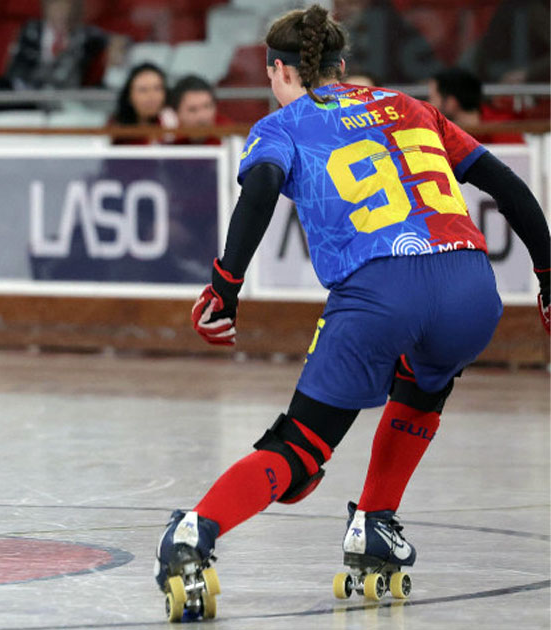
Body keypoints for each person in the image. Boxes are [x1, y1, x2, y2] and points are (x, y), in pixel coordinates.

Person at [155, 4, 550, 622]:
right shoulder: (410, 107)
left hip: (379, 292)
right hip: (472, 289)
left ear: (278, 70)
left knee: (301, 449)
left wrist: (225, 286)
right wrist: (548, 278)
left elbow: (258, 192)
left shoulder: (282, 124)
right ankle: (375, 522)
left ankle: (192, 536)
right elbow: (506, 184)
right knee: (424, 382)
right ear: (343, 66)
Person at [0, 0, 116, 91]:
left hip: (63, 94)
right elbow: (15, 69)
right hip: (27, 92)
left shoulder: (85, 34)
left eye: (68, 8)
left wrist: (117, 44)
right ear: (47, 9)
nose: (64, 14)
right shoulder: (30, 30)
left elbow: (117, 39)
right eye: (58, 8)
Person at [428, 67, 524, 145]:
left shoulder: (502, 129)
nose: (428, 104)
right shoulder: (438, 133)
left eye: (432, 98)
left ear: (451, 102)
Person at [162, 74, 234, 146]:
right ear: (176, 113)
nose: (202, 117)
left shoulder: (231, 138)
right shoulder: (167, 141)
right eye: (192, 109)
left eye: (207, 107)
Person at [110, 62, 167, 145]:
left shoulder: (172, 124)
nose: (152, 96)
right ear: (129, 96)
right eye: (143, 90)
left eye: (157, 88)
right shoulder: (115, 131)